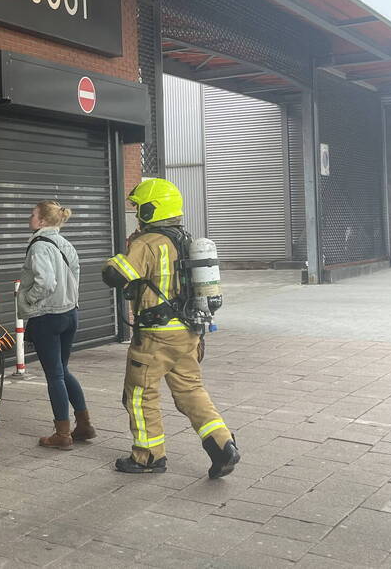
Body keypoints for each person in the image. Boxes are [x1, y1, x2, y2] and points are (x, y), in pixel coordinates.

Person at [102, 178, 240, 478]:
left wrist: (119, 255)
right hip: (188, 332)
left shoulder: (147, 243)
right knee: (191, 390)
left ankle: (148, 456)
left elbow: (115, 275)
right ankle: (223, 443)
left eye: (140, 208)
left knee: (139, 394)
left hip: (156, 337)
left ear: (153, 209)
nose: (137, 213)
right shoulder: (184, 239)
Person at [17, 200, 94, 450]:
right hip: (70, 314)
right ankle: (83, 424)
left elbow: (46, 282)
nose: (29, 218)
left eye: (32, 214)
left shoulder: (39, 246)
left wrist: (28, 299)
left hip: (47, 316)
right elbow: (76, 275)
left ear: (41, 221)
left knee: (55, 375)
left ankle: (62, 434)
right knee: (62, 369)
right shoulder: (65, 243)